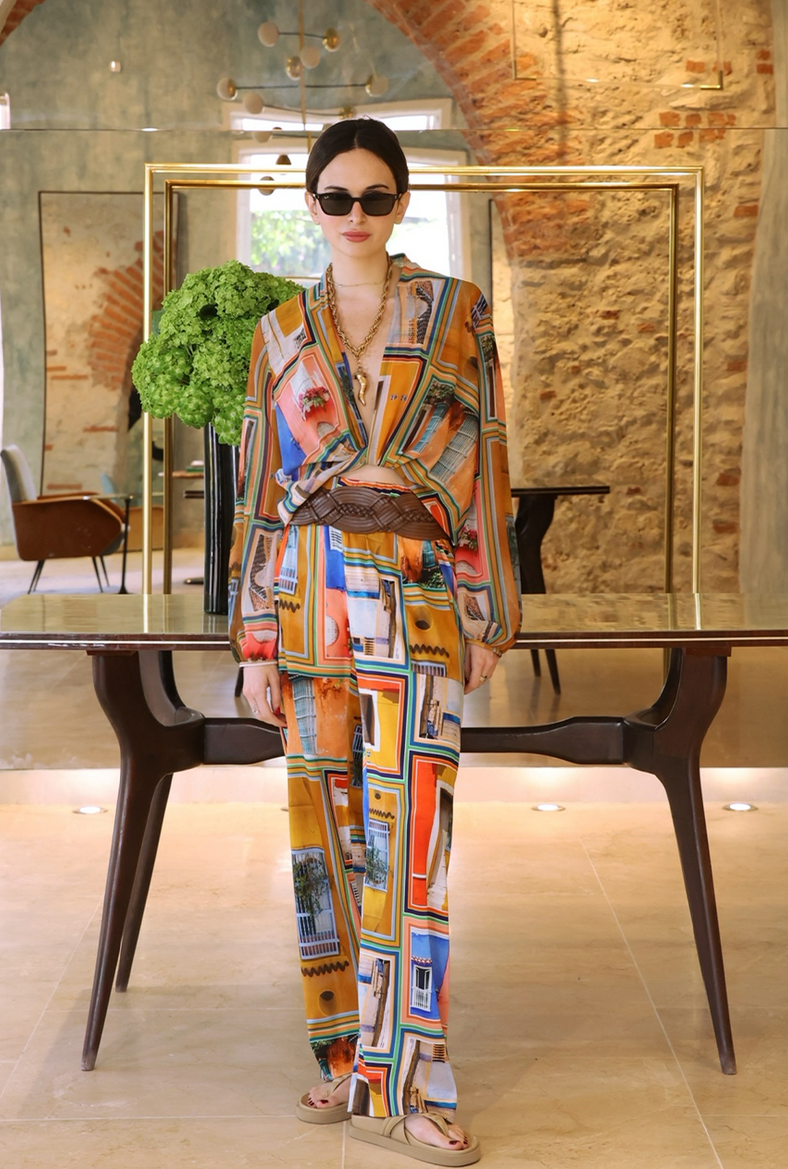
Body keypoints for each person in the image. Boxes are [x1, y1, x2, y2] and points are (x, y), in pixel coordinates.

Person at [228, 118, 521, 1166]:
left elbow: (485, 460)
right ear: (312, 205)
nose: (356, 215)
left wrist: (487, 614)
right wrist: (256, 636)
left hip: (419, 593)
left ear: (402, 201)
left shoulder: (453, 311)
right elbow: (263, 490)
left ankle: (418, 1081)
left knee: (415, 846)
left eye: (376, 196)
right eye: (337, 197)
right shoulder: (276, 332)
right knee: (326, 835)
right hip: (308, 600)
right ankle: (347, 1051)